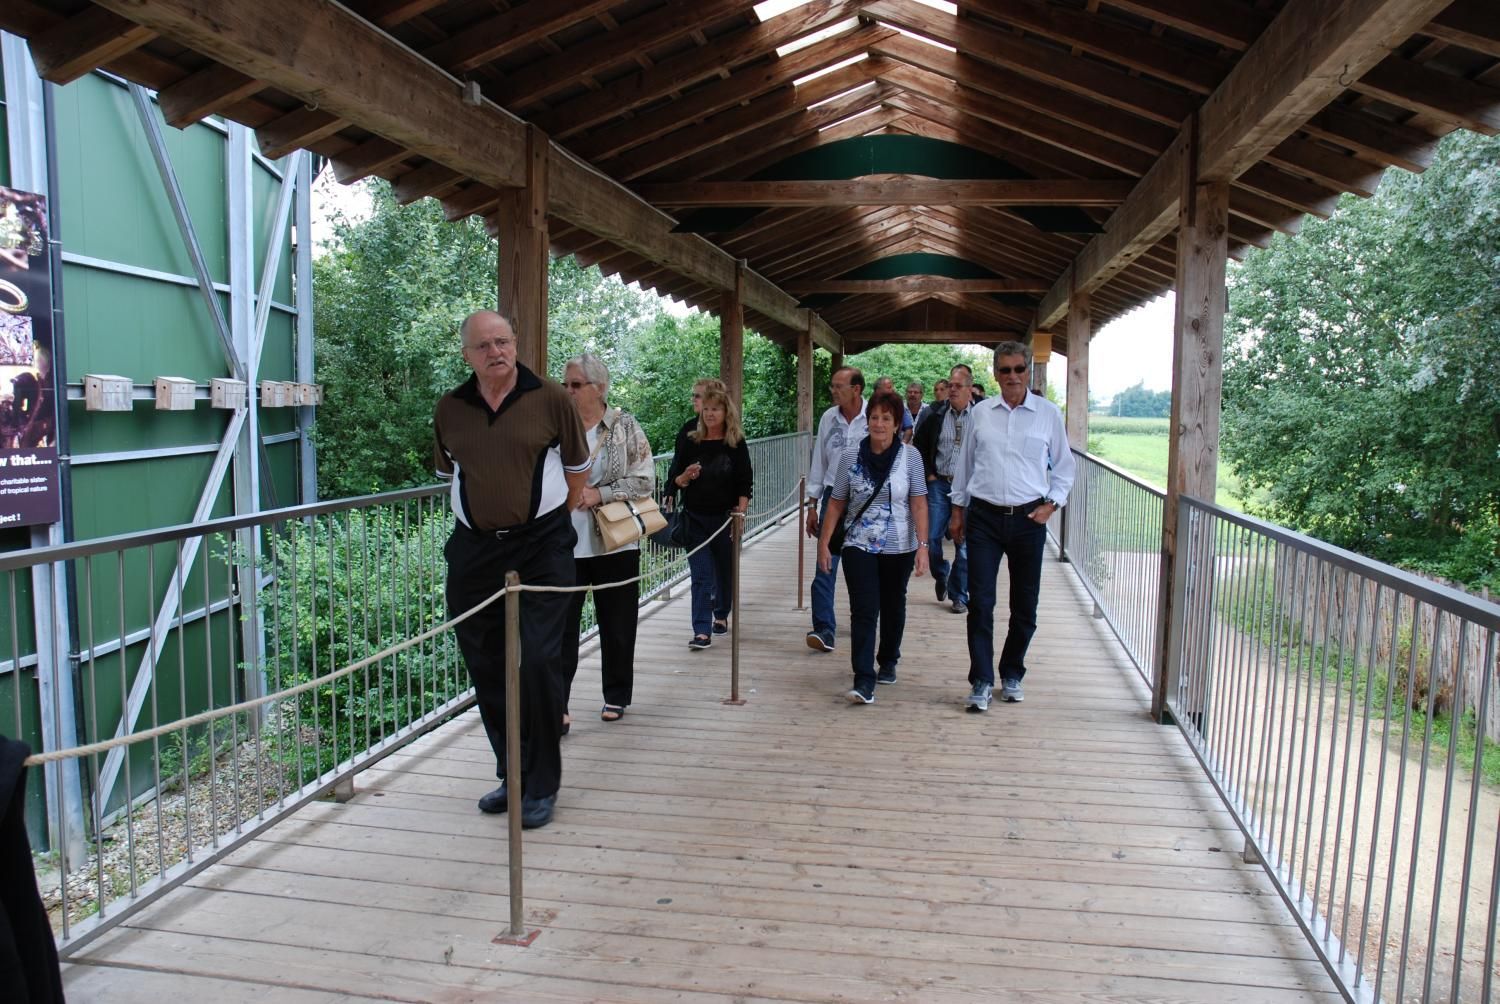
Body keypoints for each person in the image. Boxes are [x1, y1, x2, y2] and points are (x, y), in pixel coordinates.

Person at [435, 311, 589, 829]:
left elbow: (577, 471)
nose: (495, 352)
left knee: (540, 660)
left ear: (516, 344)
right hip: (475, 549)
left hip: (542, 544)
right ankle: (513, 774)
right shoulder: (451, 408)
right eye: (483, 345)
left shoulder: (550, 399)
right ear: (466, 355)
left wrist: (549, 521)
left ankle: (543, 784)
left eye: (503, 342)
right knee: (486, 661)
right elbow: (448, 471)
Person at [949, 341, 1076, 712]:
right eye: (1005, 370)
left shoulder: (1048, 414)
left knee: (1025, 605)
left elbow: (1064, 467)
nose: (1013, 377)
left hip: (1028, 519)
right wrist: (958, 511)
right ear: (995, 373)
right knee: (981, 603)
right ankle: (982, 679)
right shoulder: (981, 414)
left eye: (1019, 369)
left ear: (1028, 372)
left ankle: (1013, 671)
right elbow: (965, 465)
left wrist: (1051, 504)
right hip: (985, 517)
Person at [559, 354, 655, 727]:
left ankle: (616, 695)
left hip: (615, 540)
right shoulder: (556, 426)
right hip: (564, 544)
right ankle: (557, 705)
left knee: (617, 624)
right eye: (565, 384)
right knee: (559, 628)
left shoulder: (624, 426)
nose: (568, 391)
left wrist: (600, 493)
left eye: (576, 385)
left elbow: (645, 478)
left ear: (599, 388)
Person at [817, 390, 930, 704]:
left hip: (899, 545)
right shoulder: (850, 456)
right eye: (874, 417)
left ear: (896, 424)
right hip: (858, 543)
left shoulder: (911, 457)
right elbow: (838, 503)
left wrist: (923, 545)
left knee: (893, 604)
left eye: (886, 418)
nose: (879, 424)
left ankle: (889, 658)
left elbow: (919, 502)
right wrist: (824, 543)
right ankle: (863, 678)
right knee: (864, 610)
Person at [667, 386, 752, 649]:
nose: (710, 414)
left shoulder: (735, 441)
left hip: (726, 518)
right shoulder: (691, 439)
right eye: (706, 409)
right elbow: (675, 477)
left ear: (726, 412)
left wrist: (741, 513)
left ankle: (721, 613)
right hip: (695, 518)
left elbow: (744, 481)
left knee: (724, 570)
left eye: (715, 409)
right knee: (702, 574)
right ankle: (701, 630)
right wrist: (684, 477)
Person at [804, 367, 866, 652]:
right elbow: (819, 462)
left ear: (857, 389)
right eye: (832, 386)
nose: (833, 391)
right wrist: (812, 505)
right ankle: (823, 629)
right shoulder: (829, 418)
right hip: (832, 497)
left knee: (864, 566)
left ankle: (865, 621)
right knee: (825, 563)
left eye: (839, 386)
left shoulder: (874, 416)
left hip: (867, 499)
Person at [912, 364, 974, 616]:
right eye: (950, 385)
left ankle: (959, 595)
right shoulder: (936, 414)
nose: (952, 390)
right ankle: (942, 572)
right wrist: (928, 473)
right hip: (940, 482)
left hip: (969, 487)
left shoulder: (981, 416)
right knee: (932, 536)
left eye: (958, 386)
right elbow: (919, 445)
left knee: (964, 543)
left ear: (970, 389)